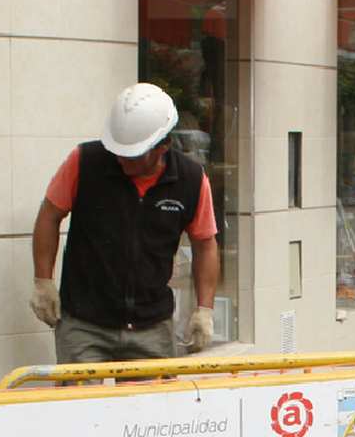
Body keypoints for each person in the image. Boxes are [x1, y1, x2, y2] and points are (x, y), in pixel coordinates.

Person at [30, 83, 220, 363]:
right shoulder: (85, 162)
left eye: (132, 154)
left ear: (163, 146)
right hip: (85, 323)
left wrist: (205, 310)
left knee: (149, 406)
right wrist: (43, 280)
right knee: (80, 406)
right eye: (117, 150)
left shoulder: (191, 180)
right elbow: (49, 215)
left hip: (151, 326)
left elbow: (205, 245)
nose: (121, 159)